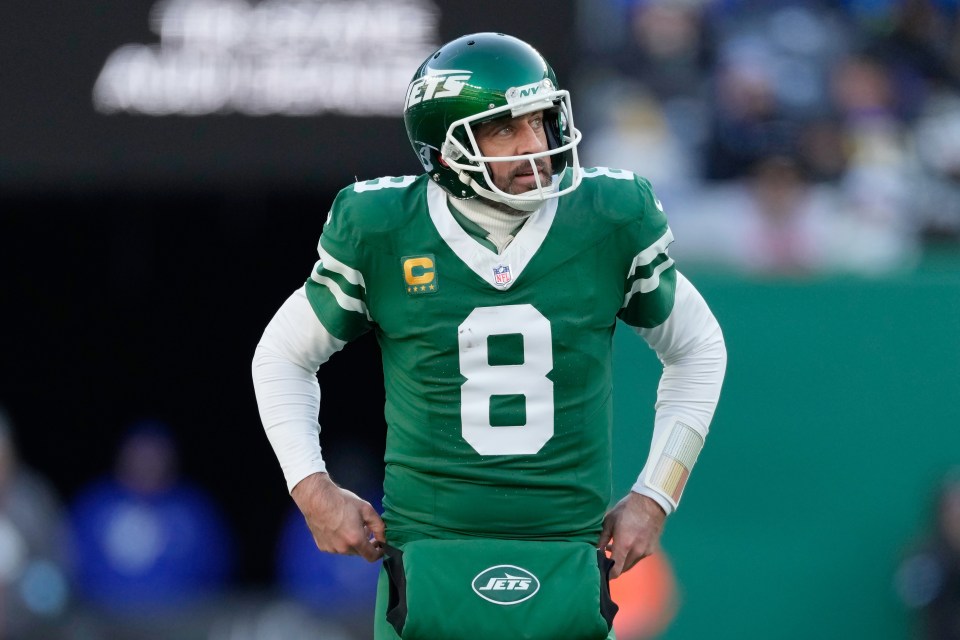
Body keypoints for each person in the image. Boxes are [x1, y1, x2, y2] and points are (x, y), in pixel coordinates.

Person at [252, 32, 726, 640]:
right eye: (505, 128)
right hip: (426, 559)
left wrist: (656, 494)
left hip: (567, 555)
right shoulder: (383, 227)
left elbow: (698, 349)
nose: (536, 146)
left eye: (539, 120)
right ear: (446, 149)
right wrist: (312, 489)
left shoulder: (608, 216)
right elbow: (283, 357)